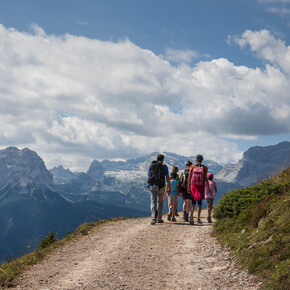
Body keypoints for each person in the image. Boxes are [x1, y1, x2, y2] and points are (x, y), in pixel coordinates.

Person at [187, 154, 211, 225]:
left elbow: (189, 178)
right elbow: (206, 179)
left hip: (193, 186)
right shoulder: (204, 168)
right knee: (199, 203)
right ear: (202, 160)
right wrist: (208, 188)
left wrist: (188, 187)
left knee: (193, 202)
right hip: (201, 186)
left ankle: (191, 215)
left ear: (196, 160)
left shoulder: (192, 167)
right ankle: (198, 218)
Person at [148, 154, 171, 225]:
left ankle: (153, 218)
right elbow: (167, 178)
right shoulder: (164, 167)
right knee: (160, 202)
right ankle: (159, 218)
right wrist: (169, 187)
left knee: (153, 202)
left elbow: (149, 176)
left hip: (153, 186)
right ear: (163, 159)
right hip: (161, 187)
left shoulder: (151, 166)